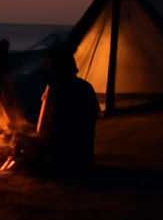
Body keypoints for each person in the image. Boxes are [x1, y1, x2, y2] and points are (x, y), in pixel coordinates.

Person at [12, 39, 100, 175]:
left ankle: (5, 171)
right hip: (85, 157)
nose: (46, 65)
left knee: (18, 138)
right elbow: (94, 114)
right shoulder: (86, 87)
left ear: (57, 64)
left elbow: (42, 130)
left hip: (61, 158)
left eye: (48, 62)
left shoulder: (54, 89)